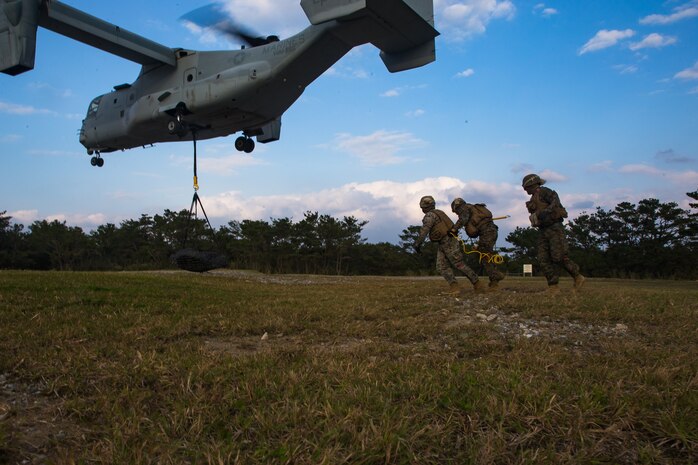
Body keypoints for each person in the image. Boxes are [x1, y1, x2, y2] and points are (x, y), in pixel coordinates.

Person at [522, 174, 585, 292]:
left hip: (555, 228)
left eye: (526, 187)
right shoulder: (533, 198)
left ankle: (577, 276)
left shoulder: (545, 192)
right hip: (543, 230)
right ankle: (553, 286)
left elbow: (555, 203)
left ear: (532, 184)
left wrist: (543, 213)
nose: (525, 190)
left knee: (559, 257)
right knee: (542, 258)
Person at [413, 195, 487, 294]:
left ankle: (477, 284)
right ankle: (454, 287)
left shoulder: (430, 216)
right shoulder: (439, 213)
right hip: (445, 241)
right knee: (441, 266)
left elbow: (424, 231)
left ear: (423, 207)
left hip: (447, 241)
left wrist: (417, 244)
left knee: (458, 264)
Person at [450, 198, 505, 290]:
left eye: (456, 212)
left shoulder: (465, 209)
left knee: (485, 256)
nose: (457, 214)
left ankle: (496, 277)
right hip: (491, 231)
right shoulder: (473, 208)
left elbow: (463, 219)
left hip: (487, 233)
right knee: (486, 256)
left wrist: (454, 229)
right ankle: (494, 280)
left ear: (457, 207)